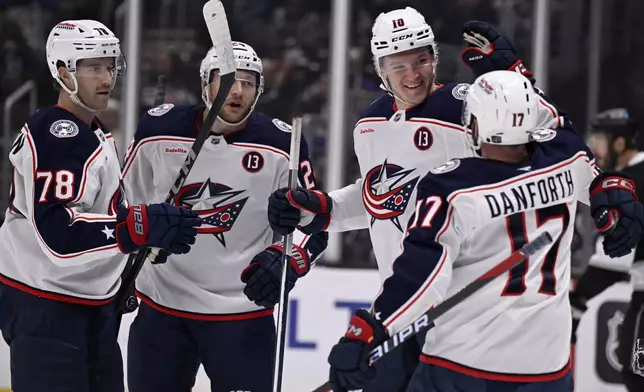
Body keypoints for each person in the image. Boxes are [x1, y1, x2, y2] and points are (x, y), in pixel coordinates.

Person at [267, 7, 558, 391]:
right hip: (400, 303)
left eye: (422, 60)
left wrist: (519, 77)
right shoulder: (369, 125)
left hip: (464, 306)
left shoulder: (468, 106)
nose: (413, 75)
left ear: (435, 58)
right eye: (399, 65)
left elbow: (548, 134)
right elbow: (379, 196)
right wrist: (323, 209)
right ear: (380, 68)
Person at [326, 70, 644, 392]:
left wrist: (370, 327)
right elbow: (564, 131)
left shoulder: (451, 187)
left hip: (461, 366)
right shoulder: (567, 159)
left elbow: (420, 274)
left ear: (476, 124)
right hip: (546, 369)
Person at [0, 20, 201, 392]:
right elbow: (59, 235)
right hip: (47, 307)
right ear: (63, 71)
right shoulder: (58, 132)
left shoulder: (91, 131)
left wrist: (137, 245)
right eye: (93, 67)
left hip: (87, 306)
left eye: (109, 66)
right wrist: (134, 228)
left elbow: (99, 220)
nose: (106, 77)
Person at [121, 41, 328, 392]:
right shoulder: (158, 132)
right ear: (206, 85)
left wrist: (289, 258)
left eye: (248, 82)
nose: (237, 90)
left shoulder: (281, 144)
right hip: (162, 310)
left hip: (244, 315)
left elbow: (315, 225)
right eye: (228, 80)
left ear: (259, 90)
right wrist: (141, 232)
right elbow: (123, 204)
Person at [570, 108, 644, 390]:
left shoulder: (630, 182)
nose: (593, 150)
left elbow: (617, 257)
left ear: (619, 143)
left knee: (637, 375)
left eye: (598, 140)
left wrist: (578, 299)